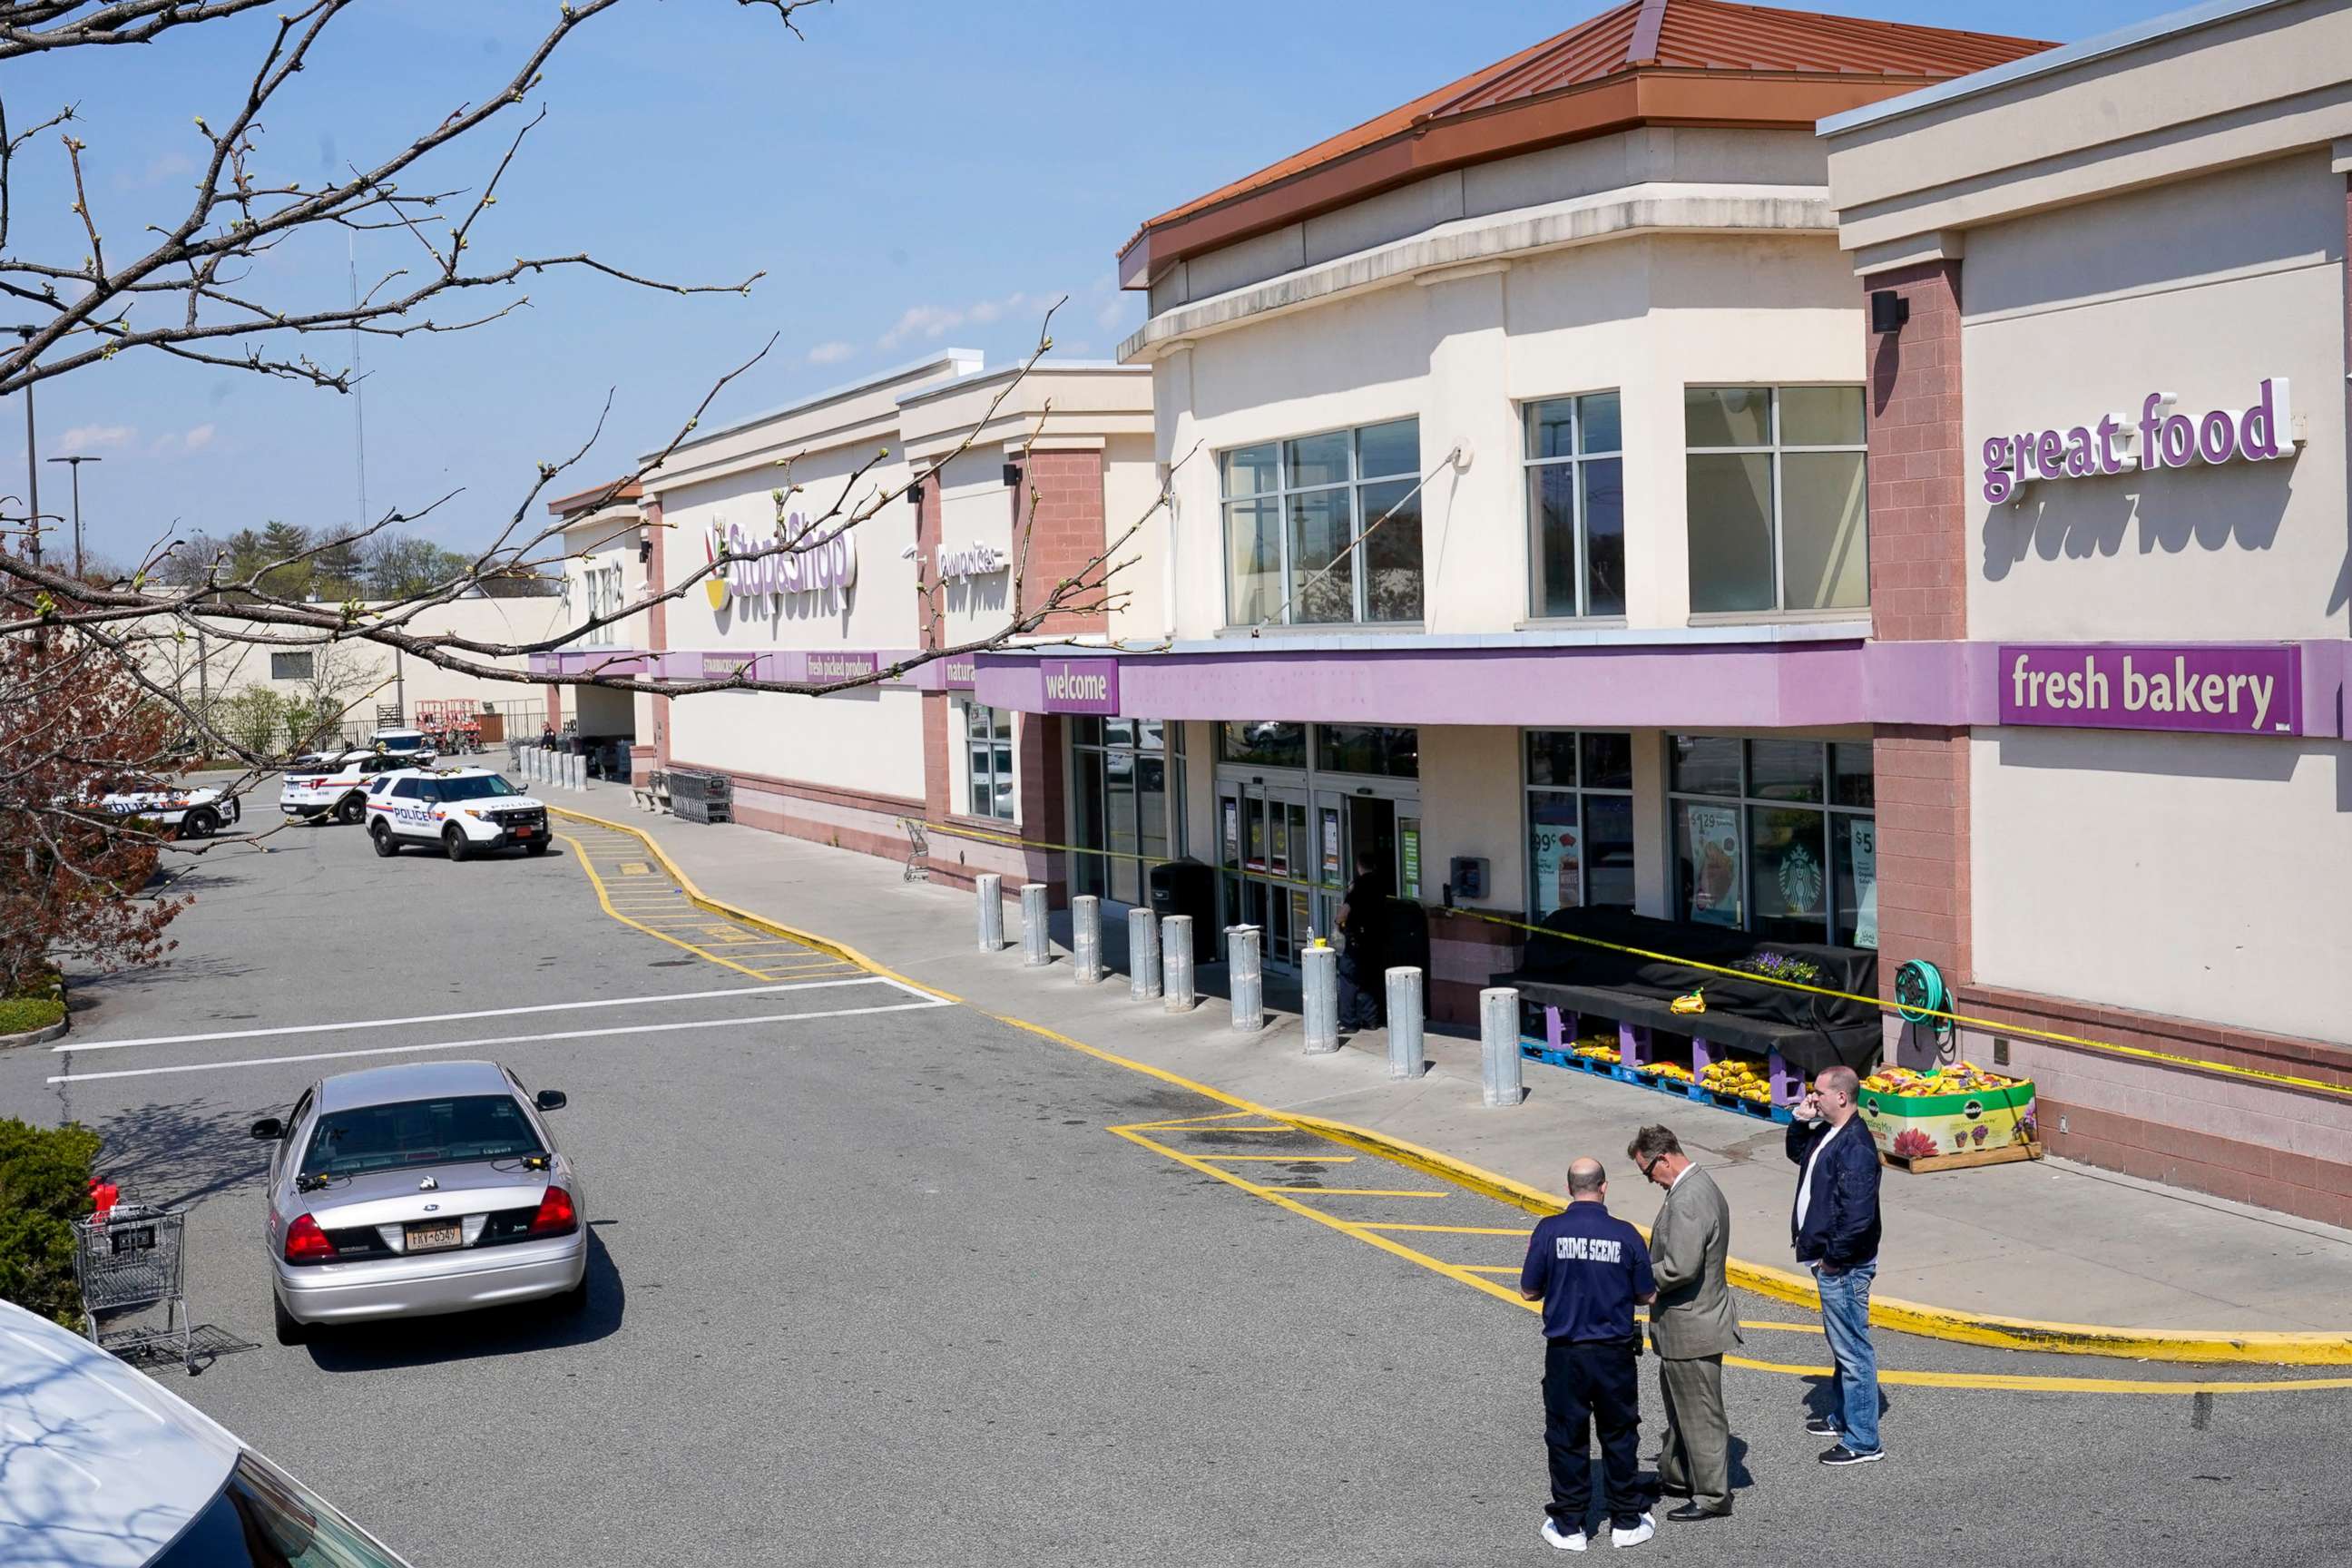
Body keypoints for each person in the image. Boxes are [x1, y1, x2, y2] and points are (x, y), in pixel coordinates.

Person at [1519, 1158, 1657, 1552]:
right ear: (1604, 1187)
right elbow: (1646, 1295)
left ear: (1569, 1188)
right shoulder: (1626, 1234)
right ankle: (1626, 1520)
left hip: (1565, 1354)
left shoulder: (1549, 1231)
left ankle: (1569, 1524)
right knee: (1619, 1434)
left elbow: (1529, 1290)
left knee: (1566, 1437)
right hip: (1614, 1353)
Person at [1630, 1124, 1739, 1522]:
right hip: (1689, 1325)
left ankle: (1712, 1495)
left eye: (1647, 1172)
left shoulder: (1689, 1199)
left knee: (1700, 1413)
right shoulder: (1695, 1185)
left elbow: (1680, 1267)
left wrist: (1636, 1278)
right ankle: (1676, 1476)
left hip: (1692, 1327)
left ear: (1663, 1158)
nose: (1649, 1181)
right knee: (1681, 1408)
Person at [1788, 1063, 1885, 1465]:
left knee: (1853, 1352)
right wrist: (1800, 1121)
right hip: (1833, 1263)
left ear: (1842, 1097)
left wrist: (1832, 1261)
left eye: (1819, 1093)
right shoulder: (1831, 1134)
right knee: (1842, 1345)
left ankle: (1863, 1441)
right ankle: (1843, 1416)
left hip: (1844, 1267)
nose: (1814, 1098)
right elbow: (1799, 1154)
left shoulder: (1856, 1147)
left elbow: (1858, 1216)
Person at [1335, 850, 1388, 1028]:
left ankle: (1348, 1021)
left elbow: (1344, 913)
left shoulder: (1358, 886)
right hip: (1377, 940)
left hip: (1358, 940)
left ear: (1359, 866)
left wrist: (1338, 922)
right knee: (1370, 978)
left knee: (1348, 976)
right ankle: (1370, 1020)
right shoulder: (1380, 884)